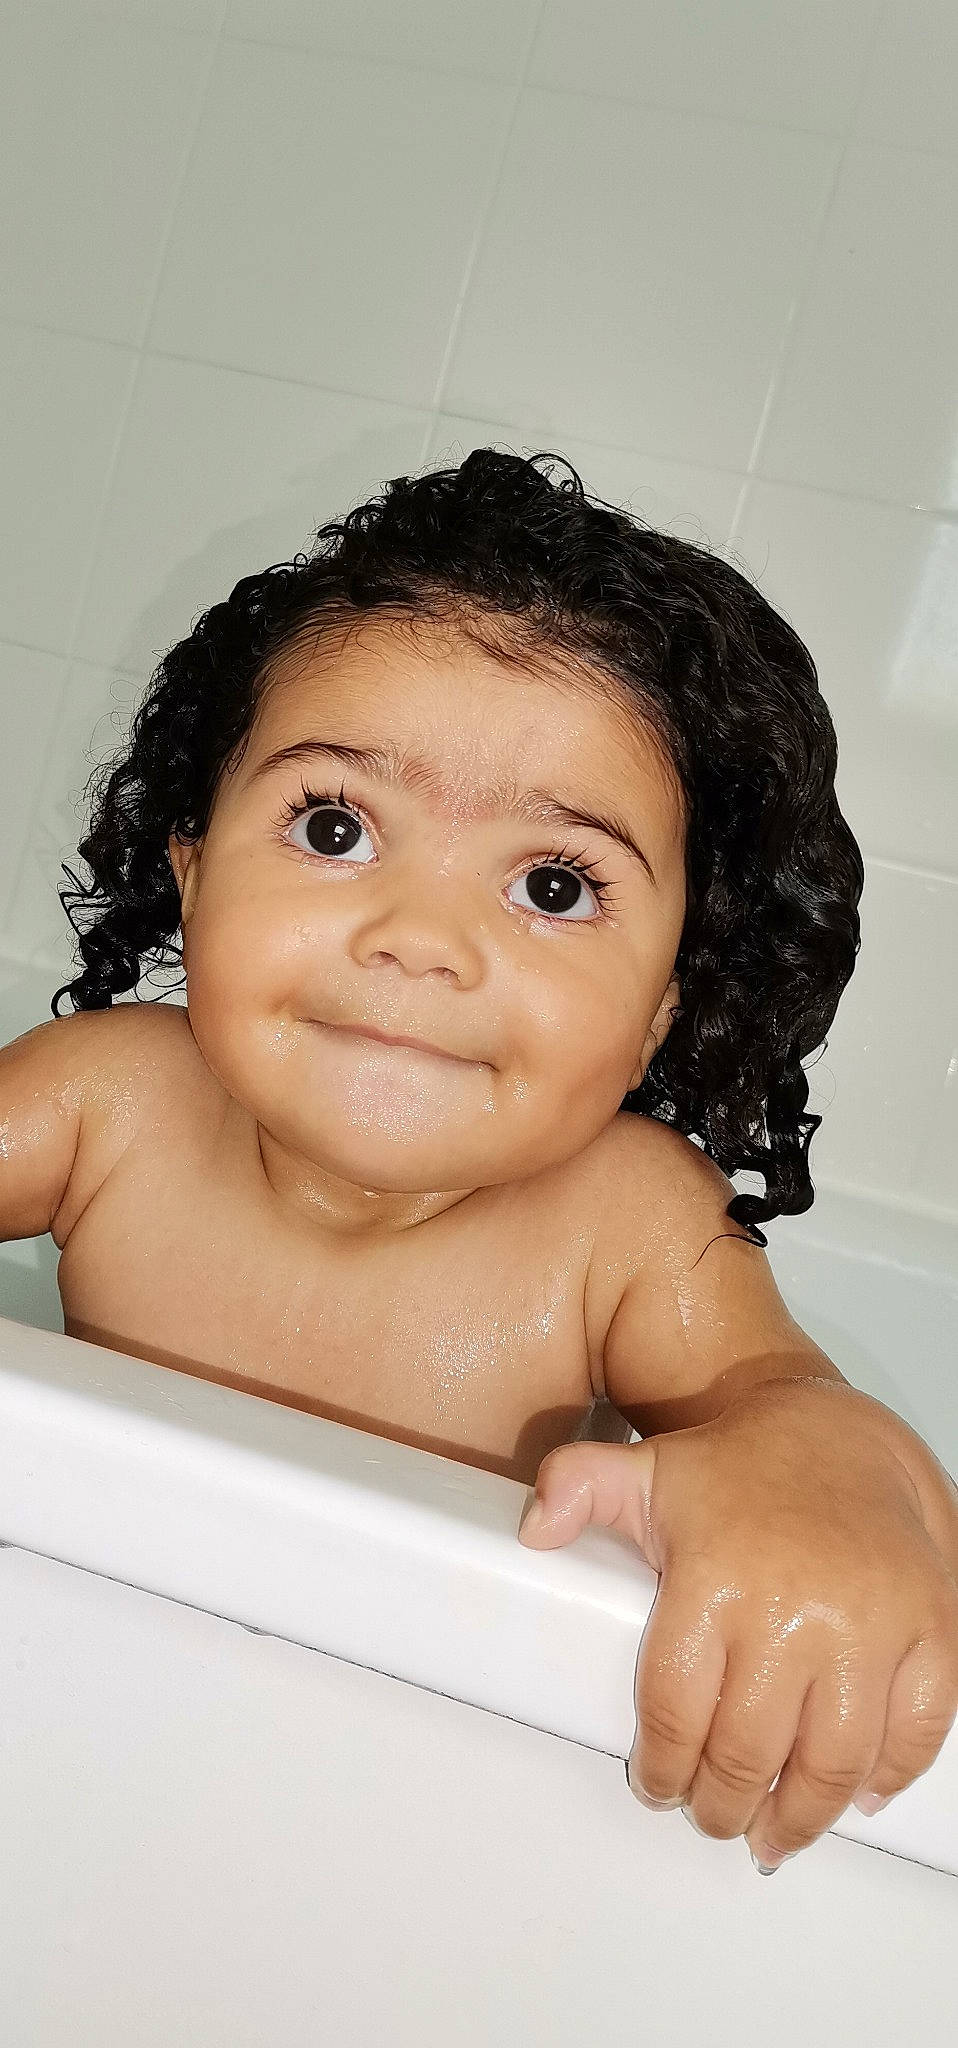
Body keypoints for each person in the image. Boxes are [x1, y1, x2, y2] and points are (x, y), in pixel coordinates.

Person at [4, 448, 956, 1877]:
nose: (420, 939)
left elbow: (792, 1411)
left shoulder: (625, 1222)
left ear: (665, 1004)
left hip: (412, 1781)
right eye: (335, 828)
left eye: (552, 886)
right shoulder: (106, 1096)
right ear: (193, 872)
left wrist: (817, 1486)